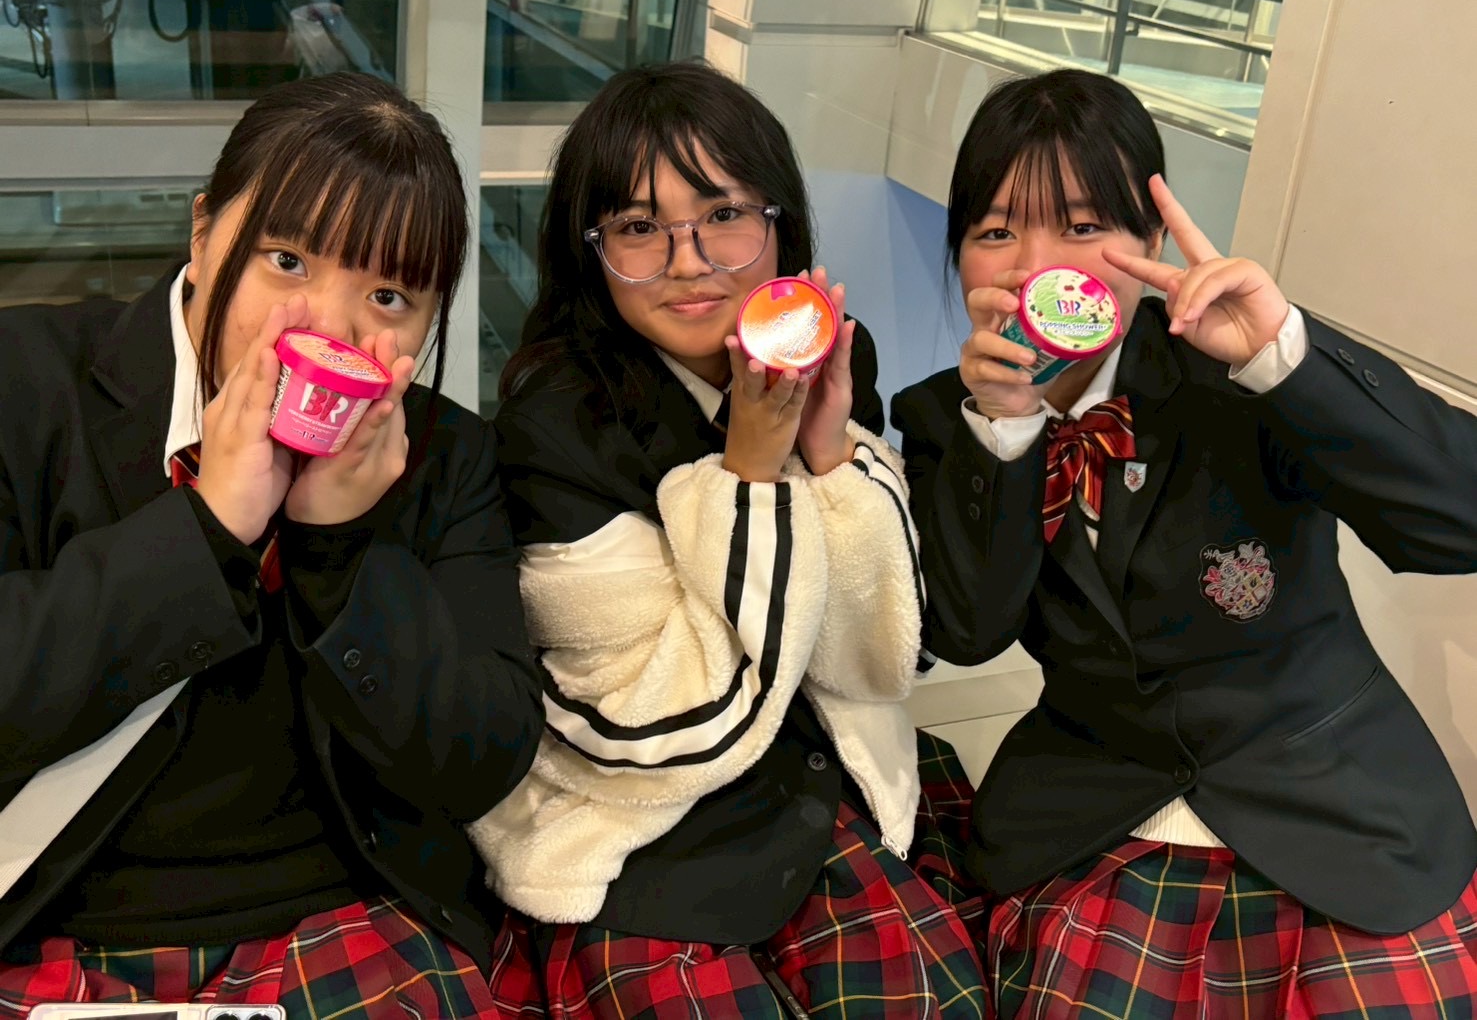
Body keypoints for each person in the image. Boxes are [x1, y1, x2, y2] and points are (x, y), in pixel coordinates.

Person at [891, 66, 1477, 1018]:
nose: (1035, 264)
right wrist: (1004, 432)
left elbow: (1458, 522)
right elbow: (967, 631)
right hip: (1095, 810)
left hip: (1333, 807)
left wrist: (1282, 354)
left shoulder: (1239, 374)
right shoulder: (941, 416)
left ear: (1151, 243)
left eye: (1082, 226)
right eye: (995, 232)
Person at [0, 72, 543, 1018]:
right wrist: (210, 525)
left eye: (388, 295)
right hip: (54, 918)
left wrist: (340, 548)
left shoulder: (446, 456)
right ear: (204, 233)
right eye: (287, 261)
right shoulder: (26, 384)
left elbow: (480, 760)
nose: (328, 327)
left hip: (345, 917)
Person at [473, 59, 988, 1018]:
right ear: (590, 252)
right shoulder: (552, 425)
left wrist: (830, 455)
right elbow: (659, 719)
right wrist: (750, 472)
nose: (689, 261)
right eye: (638, 228)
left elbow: (877, 657)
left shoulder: (833, 355)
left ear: (780, 224)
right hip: (645, 828)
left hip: (818, 782)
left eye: (723, 214)